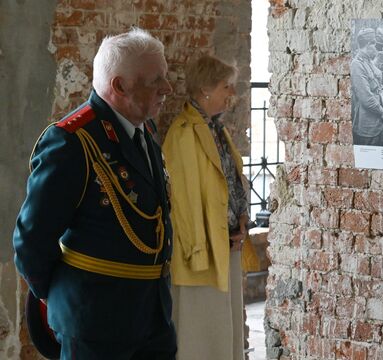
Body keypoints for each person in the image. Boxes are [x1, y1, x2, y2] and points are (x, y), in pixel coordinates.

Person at [12, 28, 176, 359]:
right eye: (155, 80)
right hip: (95, 321)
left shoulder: (144, 129)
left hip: (151, 315)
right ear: (119, 86)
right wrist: (63, 297)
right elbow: (31, 241)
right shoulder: (72, 141)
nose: (167, 88)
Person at [163, 54, 254, 360]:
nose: (232, 94)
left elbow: (231, 179)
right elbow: (182, 203)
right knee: (200, 335)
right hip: (201, 252)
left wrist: (241, 218)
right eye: (226, 87)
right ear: (205, 89)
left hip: (225, 243)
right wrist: (197, 250)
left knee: (222, 330)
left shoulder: (215, 128)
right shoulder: (184, 133)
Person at [351, 28, 383, 145]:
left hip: (376, 122)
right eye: (375, 46)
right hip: (368, 126)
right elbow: (366, 98)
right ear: (368, 44)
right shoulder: (357, 64)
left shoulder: (367, 61)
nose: (377, 50)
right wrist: (381, 111)